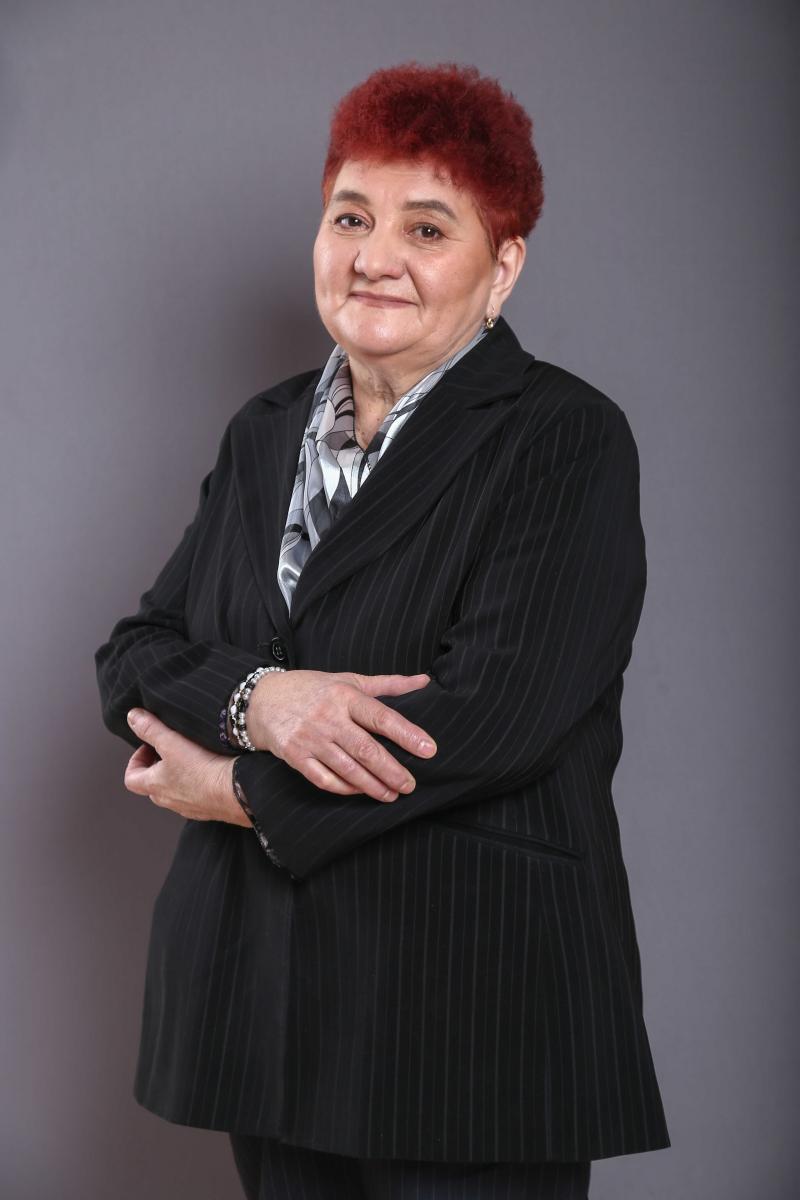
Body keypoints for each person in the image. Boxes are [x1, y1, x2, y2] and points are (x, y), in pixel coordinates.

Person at [95, 61, 670, 1200]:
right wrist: (264, 700)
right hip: (263, 1004)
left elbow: (491, 717)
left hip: (467, 1014)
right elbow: (136, 656)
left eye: (427, 228)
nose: (374, 255)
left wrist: (241, 790)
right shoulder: (264, 433)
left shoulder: (564, 437)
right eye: (351, 217)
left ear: (502, 268)